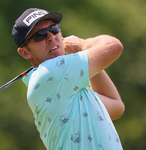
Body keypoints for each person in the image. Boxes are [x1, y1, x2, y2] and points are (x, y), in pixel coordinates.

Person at [12, 8, 125, 150]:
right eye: (39, 35)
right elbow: (113, 46)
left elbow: (116, 106)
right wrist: (80, 45)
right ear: (25, 52)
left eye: (54, 29)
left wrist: (81, 54)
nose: (51, 37)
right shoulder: (48, 74)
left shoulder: (66, 85)